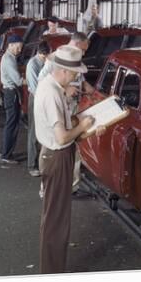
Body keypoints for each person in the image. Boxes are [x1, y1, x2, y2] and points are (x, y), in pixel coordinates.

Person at [34, 45, 105, 274]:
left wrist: (86, 127)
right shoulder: (53, 94)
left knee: (55, 217)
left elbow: (66, 127)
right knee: (57, 220)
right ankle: (52, 274)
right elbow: (63, 136)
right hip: (57, 157)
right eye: (75, 74)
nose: (76, 78)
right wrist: (83, 126)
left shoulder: (49, 86)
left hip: (52, 154)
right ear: (64, 70)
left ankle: (52, 269)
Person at [38, 32, 96, 191]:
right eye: (83, 49)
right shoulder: (57, 58)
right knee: (56, 142)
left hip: (69, 106)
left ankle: (71, 185)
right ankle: (49, 186)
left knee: (72, 147)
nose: (84, 53)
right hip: (58, 108)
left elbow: (79, 79)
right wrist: (63, 90)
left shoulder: (74, 59)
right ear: (77, 44)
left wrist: (86, 87)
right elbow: (41, 81)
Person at [25, 41, 50, 177]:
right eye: (43, 57)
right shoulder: (32, 65)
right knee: (34, 132)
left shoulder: (45, 62)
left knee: (43, 132)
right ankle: (31, 165)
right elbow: (35, 89)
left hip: (44, 99)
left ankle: (42, 163)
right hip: (36, 99)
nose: (45, 59)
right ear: (39, 53)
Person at [0, 34, 24, 165]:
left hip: (10, 93)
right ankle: (6, 155)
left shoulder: (10, 57)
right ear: (11, 45)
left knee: (11, 124)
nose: (19, 50)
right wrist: (29, 80)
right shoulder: (9, 59)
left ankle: (5, 151)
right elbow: (18, 81)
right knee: (11, 125)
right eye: (18, 47)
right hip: (11, 93)